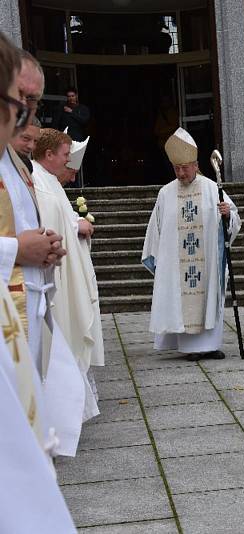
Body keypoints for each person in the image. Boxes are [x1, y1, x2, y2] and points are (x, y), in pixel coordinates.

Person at [0, 32, 77, 533]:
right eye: (17, 100)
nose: (26, 113)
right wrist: (15, 250)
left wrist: (45, 246)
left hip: (27, 299)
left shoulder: (15, 159)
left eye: (32, 101)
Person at [142, 127, 240, 361]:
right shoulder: (165, 193)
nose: (181, 173)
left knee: (209, 296)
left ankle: (210, 345)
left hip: (206, 260)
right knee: (181, 297)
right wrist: (157, 256)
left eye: (185, 168)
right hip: (177, 262)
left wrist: (228, 215)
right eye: (177, 168)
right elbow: (156, 228)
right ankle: (190, 348)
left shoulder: (211, 188)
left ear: (196, 165)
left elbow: (233, 218)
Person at [33, 129, 103, 426]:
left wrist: (75, 225)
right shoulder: (39, 182)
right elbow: (48, 225)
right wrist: (77, 227)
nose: (68, 162)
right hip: (54, 279)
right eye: (65, 155)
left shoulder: (48, 181)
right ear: (49, 155)